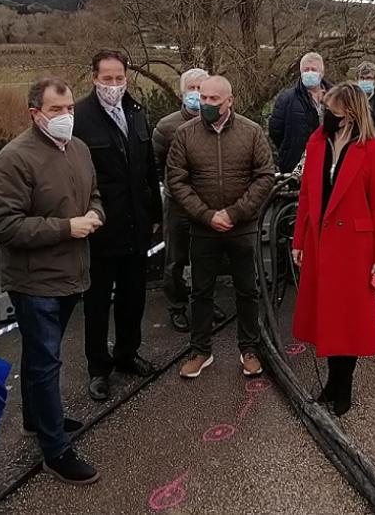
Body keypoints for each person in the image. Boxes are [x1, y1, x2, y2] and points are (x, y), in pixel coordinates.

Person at [0, 77, 105, 485]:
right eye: (56, 110)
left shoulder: (79, 149)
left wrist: (95, 215)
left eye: (69, 108)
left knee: (41, 357)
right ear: (35, 113)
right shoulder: (14, 158)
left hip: (72, 273)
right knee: (45, 361)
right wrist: (65, 228)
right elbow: (2, 224)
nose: (66, 116)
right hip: (35, 282)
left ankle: (37, 419)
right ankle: (55, 450)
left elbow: (93, 196)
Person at [291, 82, 375, 416]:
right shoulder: (317, 142)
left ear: (348, 113)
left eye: (331, 109)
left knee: (348, 320)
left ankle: (342, 385)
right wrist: (299, 241)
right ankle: (333, 384)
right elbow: (305, 196)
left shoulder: (370, 149)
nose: (325, 113)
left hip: (354, 249)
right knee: (328, 317)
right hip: (321, 244)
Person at [167, 75, 277, 380]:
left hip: (241, 228)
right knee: (201, 291)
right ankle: (201, 350)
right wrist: (205, 215)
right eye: (202, 98)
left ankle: (250, 349)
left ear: (229, 101)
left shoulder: (251, 132)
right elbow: (176, 181)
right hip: (203, 228)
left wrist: (235, 212)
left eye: (213, 100)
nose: (206, 104)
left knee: (247, 289)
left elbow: (265, 176)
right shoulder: (185, 134)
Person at [72, 50, 164, 401]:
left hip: (136, 224)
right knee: (97, 302)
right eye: (107, 78)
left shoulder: (137, 113)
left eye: (119, 78)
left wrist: (154, 213)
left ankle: (128, 353)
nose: (114, 85)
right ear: (94, 78)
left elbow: (149, 168)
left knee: (133, 296)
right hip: (101, 227)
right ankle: (99, 367)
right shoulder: (80, 117)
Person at [152, 67, 225, 333]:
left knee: (207, 258)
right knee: (175, 259)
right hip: (178, 206)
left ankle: (206, 302)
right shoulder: (166, 126)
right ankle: (177, 306)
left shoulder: (218, 123)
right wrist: (168, 187)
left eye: (201, 89)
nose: (196, 95)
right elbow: (156, 164)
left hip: (208, 205)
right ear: (182, 92)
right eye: (191, 89)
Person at [269, 52, 330, 173]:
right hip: (295, 165)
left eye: (314, 69)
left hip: (329, 163)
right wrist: (290, 149)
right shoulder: (286, 99)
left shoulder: (336, 97)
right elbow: (275, 131)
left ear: (321, 73)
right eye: (306, 70)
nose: (310, 73)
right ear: (301, 73)